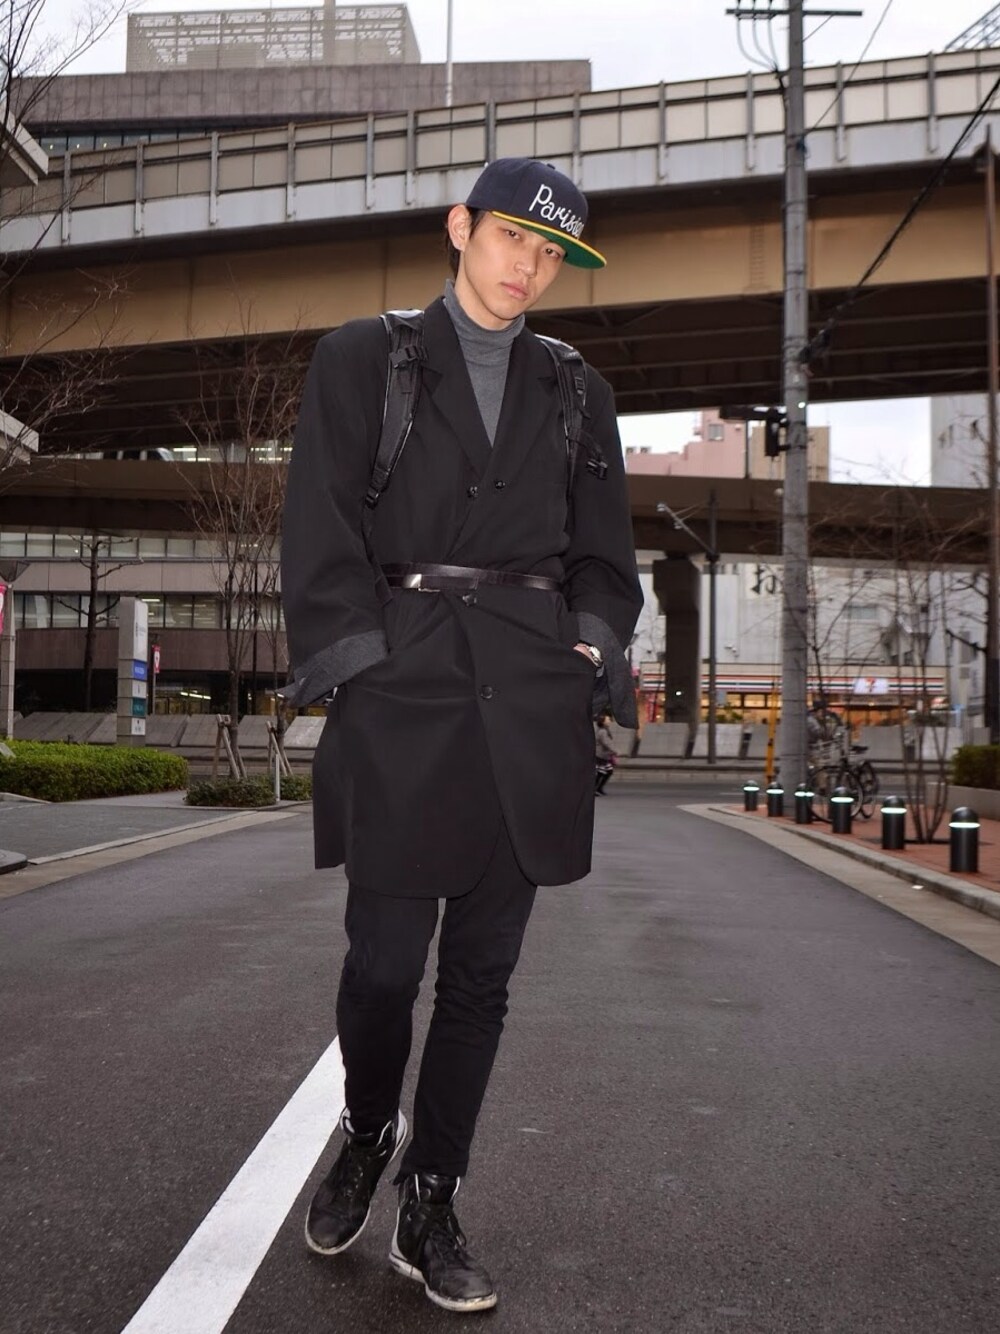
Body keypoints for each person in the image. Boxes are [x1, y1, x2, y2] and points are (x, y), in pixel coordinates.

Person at [281, 157, 643, 1314]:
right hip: (403, 693)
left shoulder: (577, 388)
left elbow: (607, 558)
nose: (529, 265)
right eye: (511, 238)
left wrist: (589, 649)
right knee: (383, 966)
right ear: (459, 228)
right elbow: (318, 528)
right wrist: (363, 671)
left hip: (530, 706)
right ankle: (366, 1128)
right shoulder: (362, 358)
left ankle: (431, 1196)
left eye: (552, 252)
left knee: (481, 979)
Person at [594, 712, 618, 795]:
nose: (609, 720)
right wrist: (614, 751)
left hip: (604, 755)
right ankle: (595, 789)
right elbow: (606, 743)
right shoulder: (603, 731)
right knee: (601, 772)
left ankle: (599, 788)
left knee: (607, 771)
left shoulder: (604, 730)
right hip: (601, 755)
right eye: (608, 719)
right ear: (603, 721)